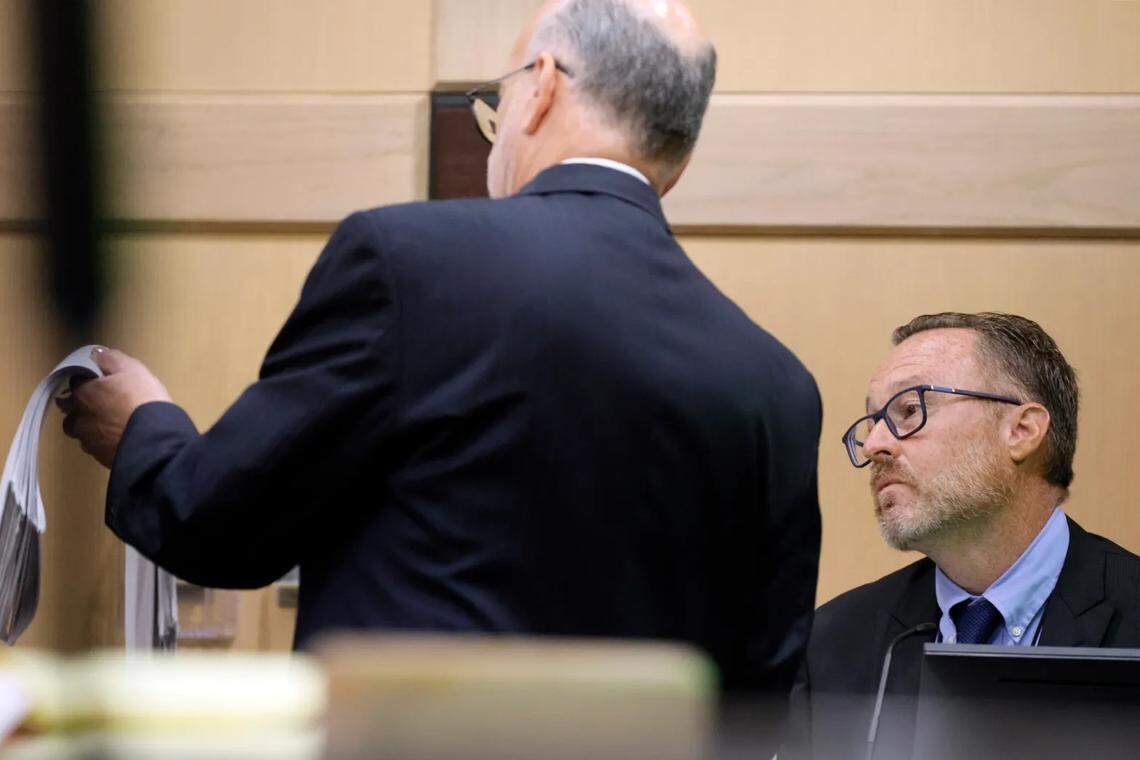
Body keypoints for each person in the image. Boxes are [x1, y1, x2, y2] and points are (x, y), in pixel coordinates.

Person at [65, 0, 822, 694]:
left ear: (544, 86)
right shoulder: (776, 384)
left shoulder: (408, 264)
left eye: (494, 105)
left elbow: (218, 525)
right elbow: (765, 679)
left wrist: (140, 427)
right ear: (679, 161)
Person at [784, 312, 1140, 759]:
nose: (875, 444)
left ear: (1022, 430)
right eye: (873, 420)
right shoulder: (835, 644)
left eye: (909, 411)